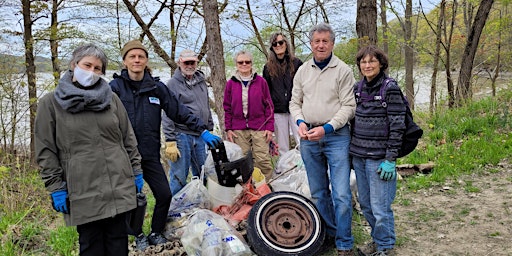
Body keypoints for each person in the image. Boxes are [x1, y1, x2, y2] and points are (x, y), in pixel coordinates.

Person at [109, 40, 221, 251]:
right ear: (124, 61)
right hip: (123, 156)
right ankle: (138, 235)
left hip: (150, 154)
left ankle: (155, 231)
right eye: (132, 56)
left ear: (146, 61)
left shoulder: (156, 87)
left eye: (140, 56)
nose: (136, 60)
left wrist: (202, 130)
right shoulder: (114, 89)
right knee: (130, 199)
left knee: (164, 194)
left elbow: (178, 111)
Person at [35, 43, 144, 256]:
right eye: (87, 65)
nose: (92, 72)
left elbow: (128, 138)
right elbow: (45, 150)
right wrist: (55, 186)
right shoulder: (51, 103)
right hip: (83, 188)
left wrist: (136, 170)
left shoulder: (111, 98)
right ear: (74, 65)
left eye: (97, 68)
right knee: (91, 245)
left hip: (118, 184)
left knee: (118, 244)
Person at [289, 23, 356, 256]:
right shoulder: (303, 71)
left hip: (336, 137)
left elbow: (349, 106)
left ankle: (345, 242)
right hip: (308, 138)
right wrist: (300, 122)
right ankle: (329, 234)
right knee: (318, 192)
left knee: (341, 194)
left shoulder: (343, 70)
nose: (320, 45)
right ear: (311, 43)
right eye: (316, 41)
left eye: (325, 41)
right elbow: (294, 102)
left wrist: (327, 128)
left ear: (332, 43)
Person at [350, 45, 404, 256]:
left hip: (380, 159)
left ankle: (386, 247)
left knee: (380, 207)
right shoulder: (357, 88)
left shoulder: (390, 88)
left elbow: (398, 125)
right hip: (359, 157)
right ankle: (378, 240)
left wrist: (391, 158)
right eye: (363, 62)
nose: (367, 65)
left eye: (372, 61)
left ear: (381, 64)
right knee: (366, 205)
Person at [162, 49, 214, 196]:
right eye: (186, 62)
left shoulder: (201, 82)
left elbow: (206, 106)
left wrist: (209, 129)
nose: (190, 65)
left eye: (193, 62)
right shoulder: (172, 84)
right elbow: (167, 113)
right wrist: (170, 139)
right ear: (180, 62)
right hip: (181, 135)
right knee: (179, 176)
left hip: (200, 134)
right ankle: (174, 210)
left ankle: (200, 203)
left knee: (204, 172)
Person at [223, 50, 275, 181]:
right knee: (242, 161)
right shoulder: (230, 84)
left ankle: (266, 188)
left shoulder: (261, 82)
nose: (244, 64)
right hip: (238, 128)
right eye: (241, 62)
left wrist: (270, 128)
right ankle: (247, 190)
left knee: (262, 160)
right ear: (236, 64)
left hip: (259, 126)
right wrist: (228, 129)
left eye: (247, 62)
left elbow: (269, 107)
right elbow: (227, 108)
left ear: (251, 63)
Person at [263, 32, 303, 156]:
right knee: (282, 147)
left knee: (302, 141)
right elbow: (266, 93)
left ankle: (305, 171)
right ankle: (285, 170)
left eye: (281, 42)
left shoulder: (297, 63)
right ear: (272, 47)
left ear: (286, 44)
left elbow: (304, 86)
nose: (278, 45)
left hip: (296, 109)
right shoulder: (268, 68)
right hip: (278, 111)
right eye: (275, 44)